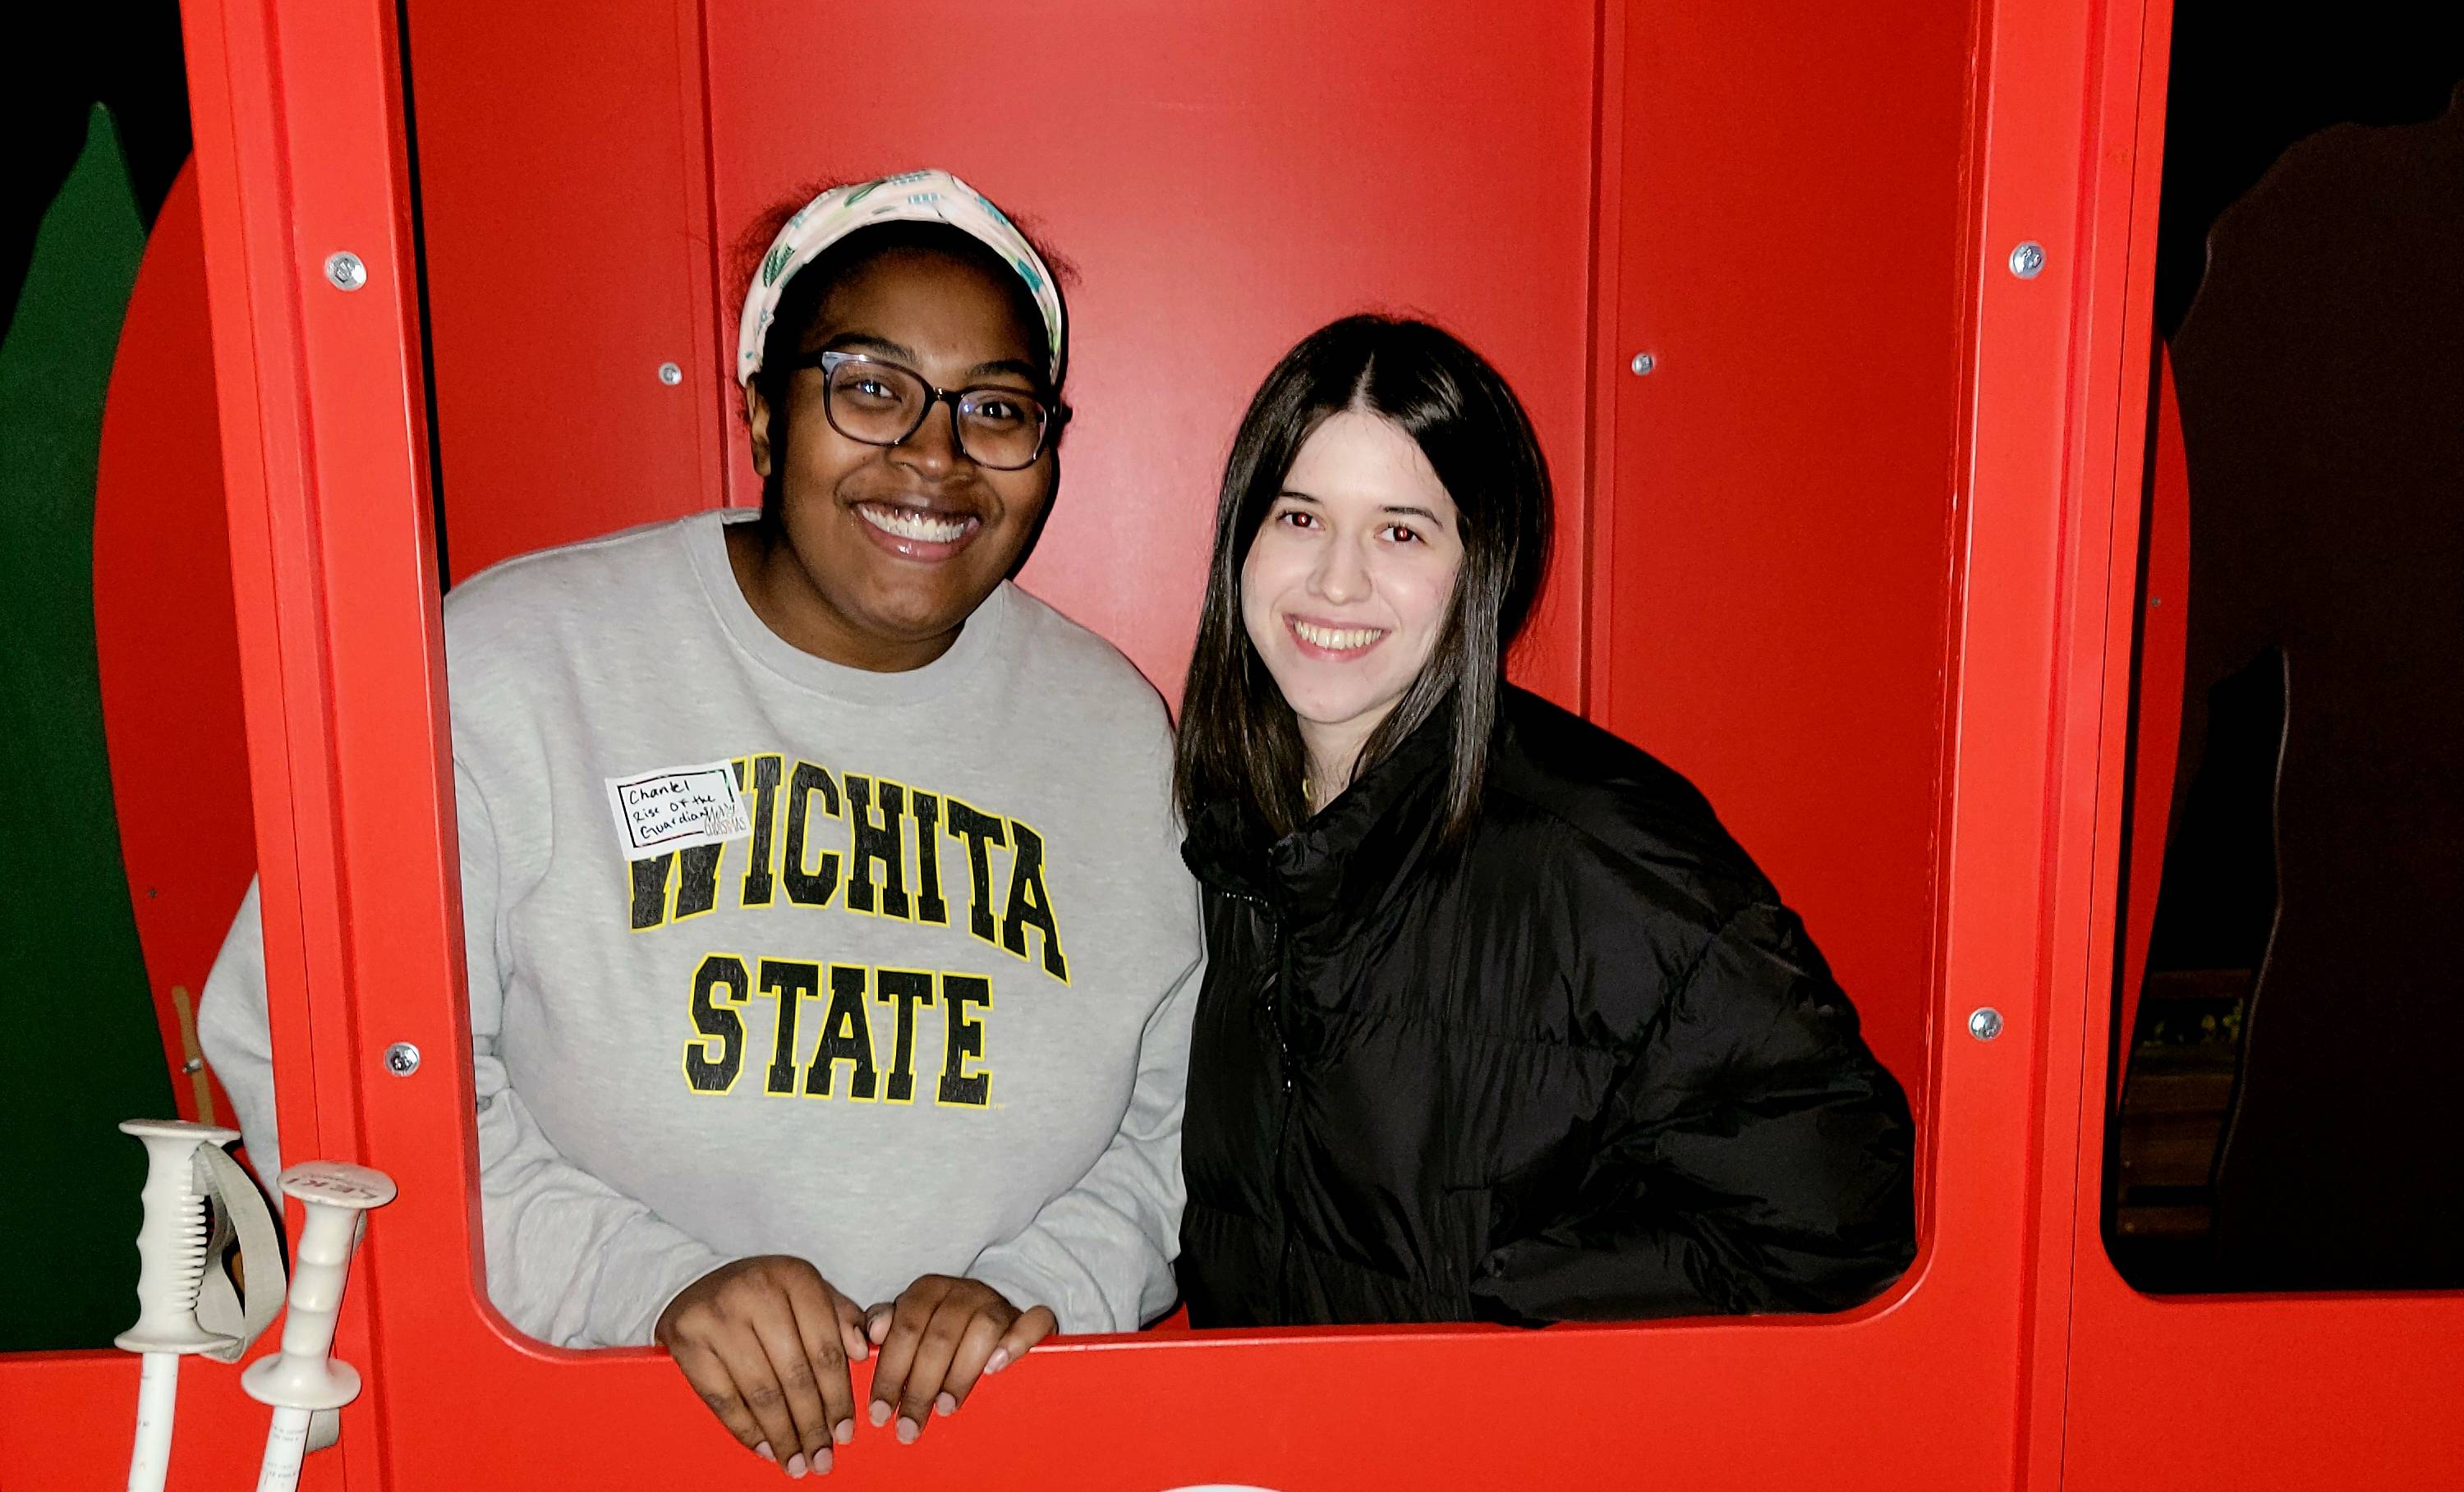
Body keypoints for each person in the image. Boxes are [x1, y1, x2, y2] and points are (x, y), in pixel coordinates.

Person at [200, 170, 1203, 1475]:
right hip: (567, 1439)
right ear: (764, 412)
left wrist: (1032, 1296)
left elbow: (1178, 1121)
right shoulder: (515, 663)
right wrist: (647, 1289)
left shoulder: (1115, 734)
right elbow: (304, 1044)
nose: (936, 454)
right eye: (870, 385)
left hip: (984, 1451)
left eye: (996, 409)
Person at [1170, 314, 1915, 1326]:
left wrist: (1499, 1329)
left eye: (1401, 531)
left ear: (1483, 563)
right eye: (1300, 518)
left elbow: (1842, 1229)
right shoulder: (1224, 835)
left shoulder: (1615, 861)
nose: (1335, 582)